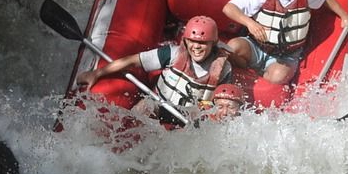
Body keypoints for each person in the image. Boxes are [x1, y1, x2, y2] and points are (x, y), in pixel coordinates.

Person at [222, 0, 348, 85]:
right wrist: (250, 23)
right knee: (233, 47)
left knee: (277, 77)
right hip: (256, 46)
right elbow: (229, 8)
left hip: (288, 54)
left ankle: (265, 84)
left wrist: (344, 16)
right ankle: (246, 73)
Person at [75, 15, 232, 118]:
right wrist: (97, 73)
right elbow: (131, 61)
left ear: (213, 43)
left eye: (203, 43)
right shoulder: (172, 53)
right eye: (193, 41)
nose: (197, 47)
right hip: (158, 104)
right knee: (147, 105)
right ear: (185, 41)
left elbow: (220, 101)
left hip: (189, 116)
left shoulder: (223, 68)